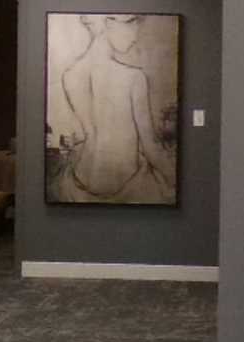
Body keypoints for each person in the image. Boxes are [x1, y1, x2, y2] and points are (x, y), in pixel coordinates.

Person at [53, 14, 175, 203]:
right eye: (132, 25)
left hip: (76, 184)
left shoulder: (70, 75)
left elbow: (85, 135)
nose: (135, 37)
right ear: (109, 24)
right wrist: (176, 180)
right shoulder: (134, 77)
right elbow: (151, 146)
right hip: (130, 185)